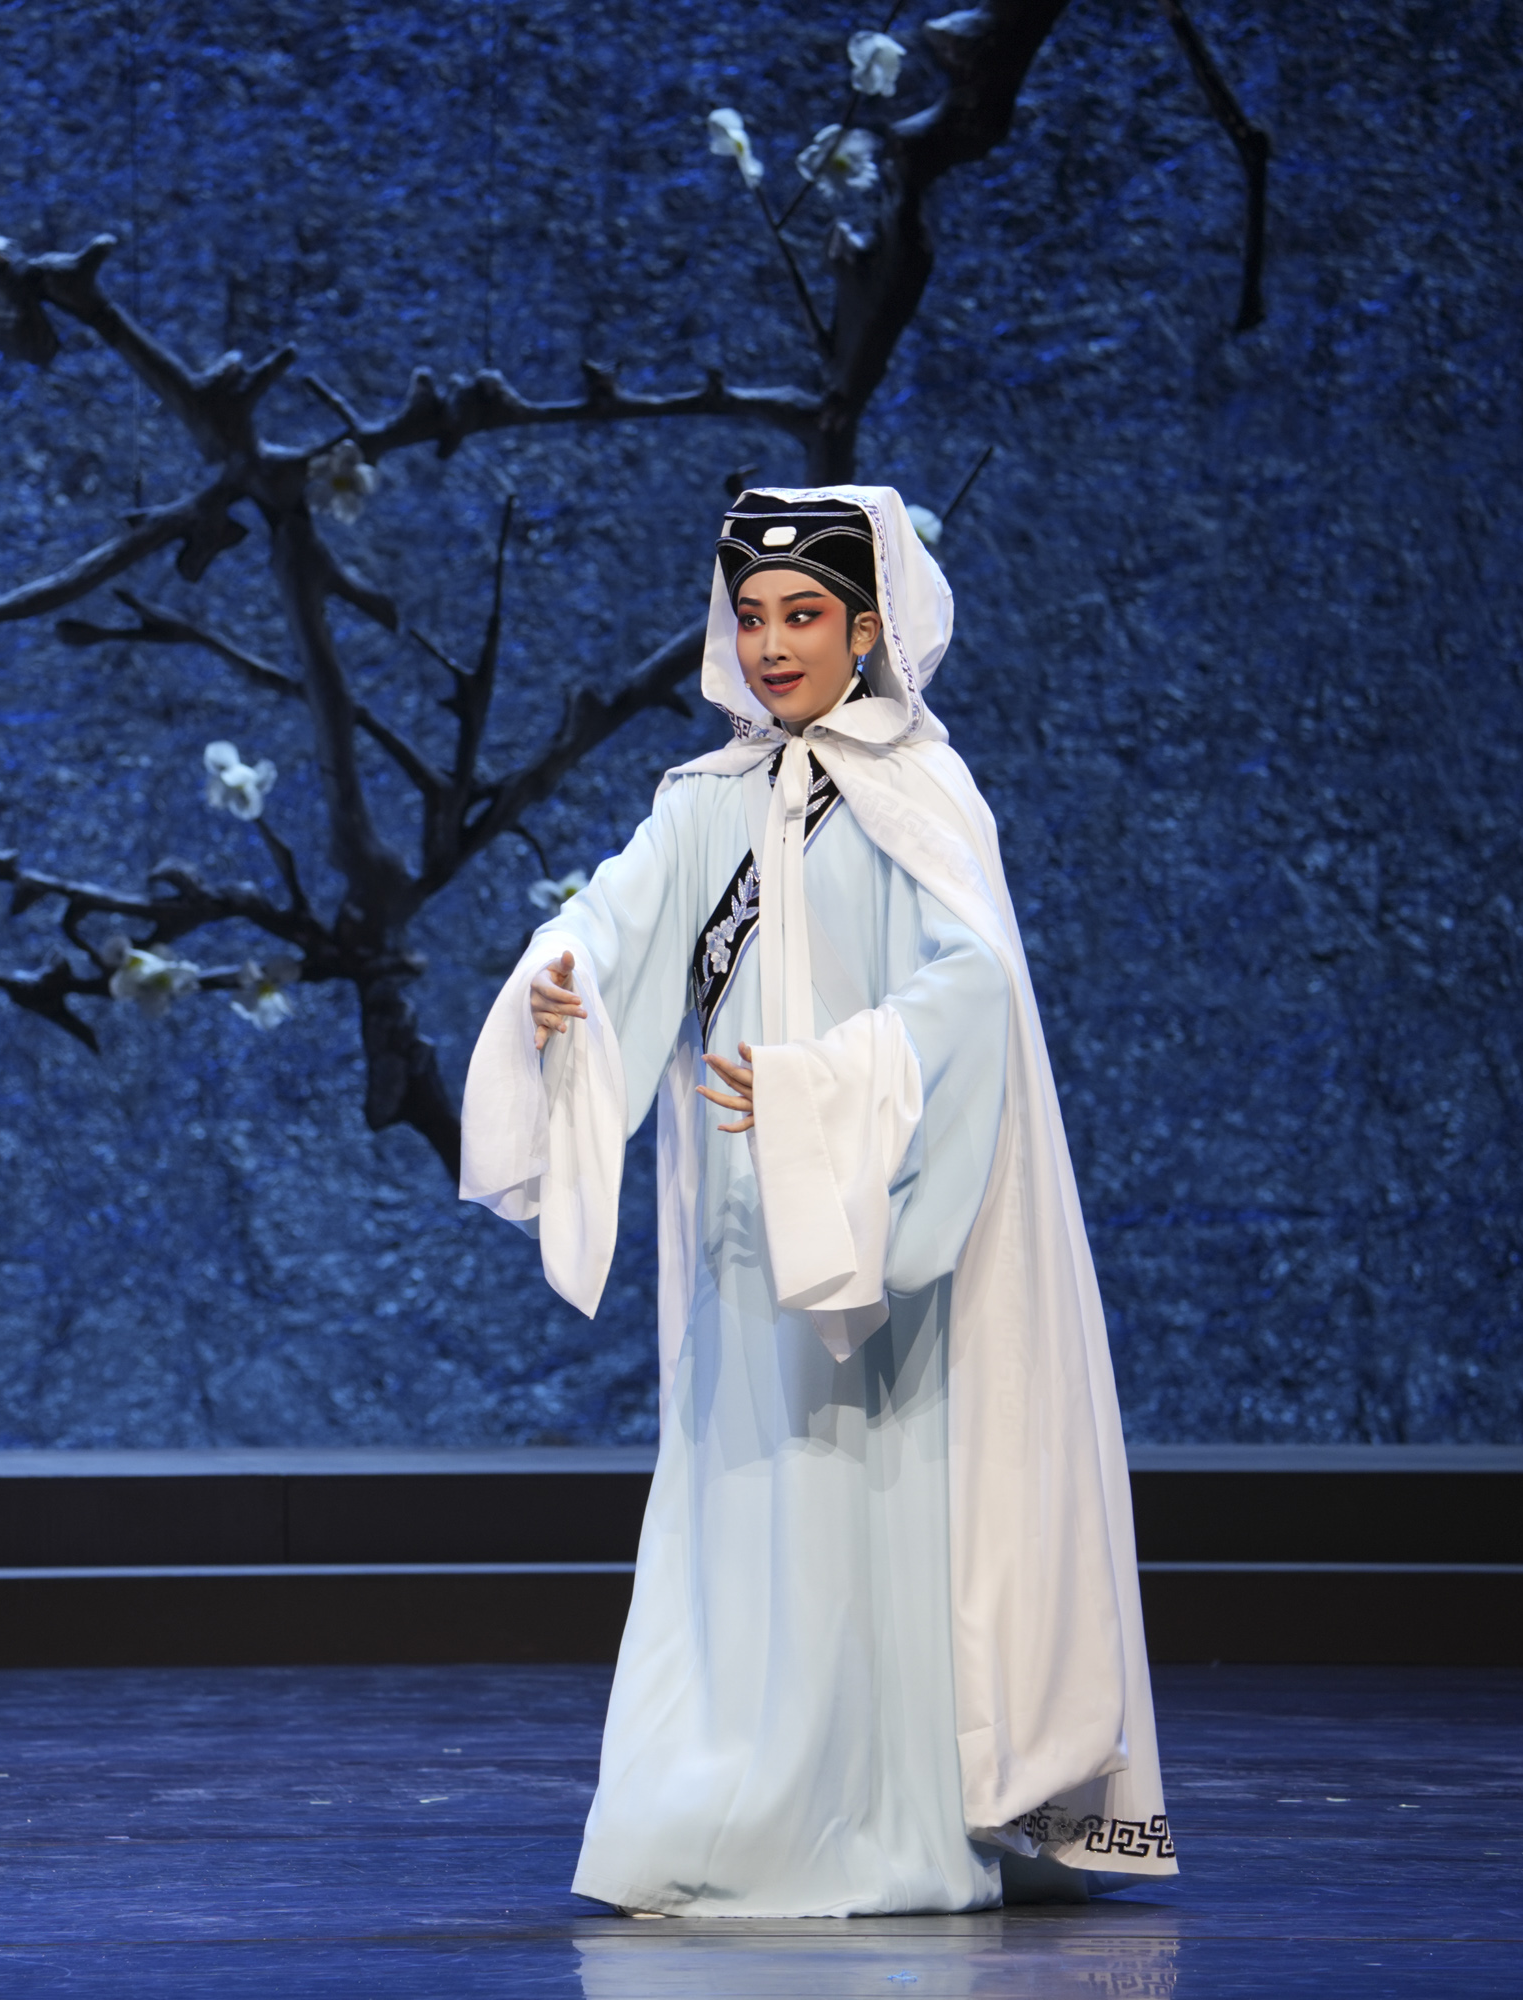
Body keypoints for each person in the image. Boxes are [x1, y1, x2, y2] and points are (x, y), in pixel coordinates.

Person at [460, 486, 1174, 1917]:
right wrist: (563, 979)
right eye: (752, 616)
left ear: (866, 629)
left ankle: (887, 1820)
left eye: (804, 615)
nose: (773, 644)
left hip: (878, 1219)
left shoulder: (922, 795)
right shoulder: (707, 802)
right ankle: (722, 1803)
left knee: (871, 1514)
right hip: (747, 1231)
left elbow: (972, 991)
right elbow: (617, 917)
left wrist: (827, 1089)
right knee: (745, 1515)